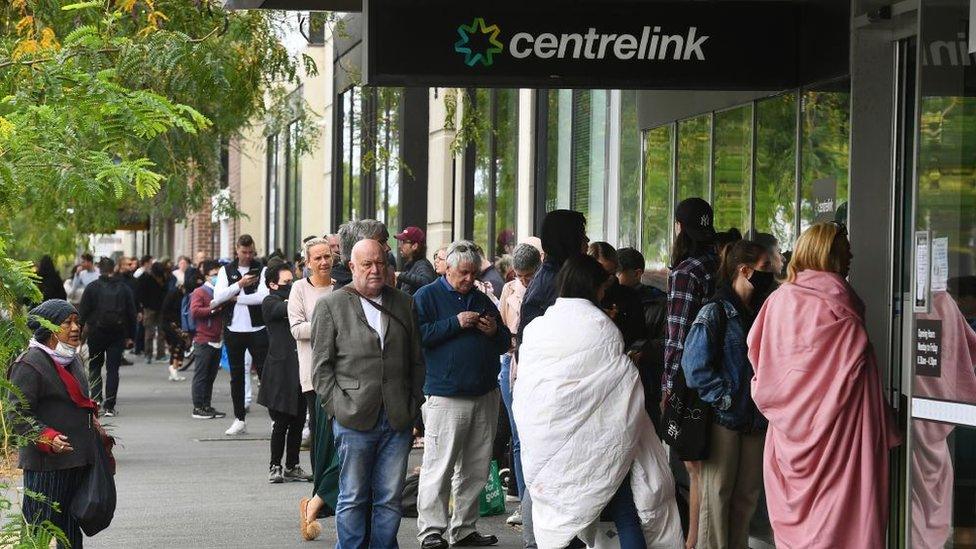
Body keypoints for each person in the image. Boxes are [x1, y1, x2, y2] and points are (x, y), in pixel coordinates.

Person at [747, 222, 899, 548]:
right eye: (845, 249)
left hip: (790, 440)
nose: (852, 255)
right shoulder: (841, 305)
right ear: (826, 252)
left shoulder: (778, 301)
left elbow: (762, 364)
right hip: (843, 438)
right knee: (847, 524)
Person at [513, 256, 682, 548]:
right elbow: (620, 381)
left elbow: (530, 386)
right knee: (625, 511)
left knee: (564, 516)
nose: (604, 293)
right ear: (592, 287)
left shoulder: (538, 327)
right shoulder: (600, 325)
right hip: (599, 442)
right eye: (602, 287)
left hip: (551, 439)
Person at [305, 238, 424, 547]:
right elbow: (321, 369)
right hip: (353, 416)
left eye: (380, 263)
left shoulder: (404, 303)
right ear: (352, 266)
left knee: (389, 499)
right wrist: (337, 407)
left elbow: (416, 360)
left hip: (397, 418)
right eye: (367, 264)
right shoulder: (331, 305)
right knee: (353, 496)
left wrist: (413, 404)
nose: (375, 270)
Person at [414, 240, 511, 549]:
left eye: (473, 273)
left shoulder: (482, 299)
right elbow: (418, 337)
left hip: (484, 392)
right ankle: (431, 530)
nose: (470, 279)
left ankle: (465, 529)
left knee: (475, 467)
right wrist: (455, 323)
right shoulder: (426, 296)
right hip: (446, 394)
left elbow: (506, 340)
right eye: (464, 273)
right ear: (448, 269)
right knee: (438, 466)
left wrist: (493, 331)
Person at [680, 240, 775, 549]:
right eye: (765, 267)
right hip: (725, 418)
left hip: (756, 419)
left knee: (746, 499)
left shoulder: (764, 309)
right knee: (716, 498)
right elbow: (694, 367)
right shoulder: (716, 310)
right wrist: (725, 398)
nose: (771, 272)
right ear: (743, 270)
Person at [9, 300, 112, 549]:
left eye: (77, 321)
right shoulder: (29, 363)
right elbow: (17, 413)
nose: (75, 327)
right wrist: (47, 437)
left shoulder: (72, 359)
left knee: (69, 530)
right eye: (67, 322)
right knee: (38, 529)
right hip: (46, 465)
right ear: (50, 328)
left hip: (77, 459)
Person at [515, 209, 588, 549]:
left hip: (555, 391)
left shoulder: (558, 276)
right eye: (581, 235)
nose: (587, 242)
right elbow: (534, 347)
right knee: (544, 474)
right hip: (551, 393)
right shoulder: (552, 283)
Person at [663, 197, 719, 548]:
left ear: (679, 229)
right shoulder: (719, 264)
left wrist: (667, 384)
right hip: (722, 374)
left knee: (696, 467)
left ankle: (694, 541)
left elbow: (677, 333)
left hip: (691, 379)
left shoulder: (687, 272)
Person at [288, 237, 338, 526]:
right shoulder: (299, 289)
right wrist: (330, 326)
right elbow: (296, 329)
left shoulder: (341, 287)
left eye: (327, 256)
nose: (323, 262)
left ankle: (330, 497)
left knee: (339, 438)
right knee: (321, 439)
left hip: (342, 373)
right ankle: (320, 495)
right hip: (313, 375)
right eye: (317, 258)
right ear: (307, 263)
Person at [496, 242, 541, 527]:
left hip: (534, 360)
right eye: (520, 275)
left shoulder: (546, 286)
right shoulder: (508, 290)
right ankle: (524, 501)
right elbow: (501, 326)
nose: (524, 280)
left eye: (529, 275)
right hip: (510, 360)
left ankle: (536, 504)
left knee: (534, 435)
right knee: (517, 435)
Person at [258, 261, 313, 484]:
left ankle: (292, 465)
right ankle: (275, 465)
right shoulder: (269, 302)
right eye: (286, 282)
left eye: (293, 281)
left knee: (299, 420)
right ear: (273, 284)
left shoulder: (295, 299)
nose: (292, 285)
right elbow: (285, 309)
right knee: (281, 421)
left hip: (300, 366)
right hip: (280, 371)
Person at [211, 234, 269, 436]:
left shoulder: (262, 269)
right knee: (236, 376)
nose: (247, 256)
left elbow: (263, 297)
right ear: (237, 250)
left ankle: (274, 418)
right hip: (234, 329)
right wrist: (239, 285)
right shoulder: (226, 270)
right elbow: (218, 297)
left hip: (257, 329)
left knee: (265, 374)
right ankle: (239, 419)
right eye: (244, 252)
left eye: (250, 252)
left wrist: (237, 299)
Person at [616, 248, 668, 431]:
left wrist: (641, 350)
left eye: (618, 272)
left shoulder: (659, 302)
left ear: (637, 273)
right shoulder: (608, 299)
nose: (613, 277)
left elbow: (668, 343)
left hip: (647, 384)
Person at [78, 257, 136, 417]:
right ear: (114, 269)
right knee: (113, 370)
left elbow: (82, 313)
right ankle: (109, 404)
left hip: (96, 333)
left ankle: (96, 400)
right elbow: (131, 313)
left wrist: (78, 333)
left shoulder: (92, 288)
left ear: (100, 269)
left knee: (95, 366)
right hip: (117, 334)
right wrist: (131, 336)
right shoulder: (124, 288)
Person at [188, 260, 227, 419]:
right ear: (206, 276)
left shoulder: (221, 291)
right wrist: (213, 309)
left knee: (210, 376)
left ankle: (206, 405)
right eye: (214, 275)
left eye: (219, 274)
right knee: (201, 375)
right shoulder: (200, 292)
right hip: (203, 339)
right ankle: (198, 407)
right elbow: (195, 311)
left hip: (217, 339)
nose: (217, 277)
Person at [588, 242, 645, 347]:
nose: (608, 278)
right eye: (601, 273)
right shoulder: (581, 298)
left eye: (612, 273)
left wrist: (617, 321)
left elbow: (638, 336)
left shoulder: (630, 297)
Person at [137, 262, 169, 363]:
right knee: (154, 332)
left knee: (154, 332)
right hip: (152, 308)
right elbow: (141, 294)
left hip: (154, 308)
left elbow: (140, 294)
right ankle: (155, 354)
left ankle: (152, 355)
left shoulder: (145, 277)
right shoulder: (150, 278)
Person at [160, 279, 189, 382]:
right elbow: (166, 310)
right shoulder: (173, 294)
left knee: (180, 343)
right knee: (177, 342)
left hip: (178, 322)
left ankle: (174, 368)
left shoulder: (184, 296)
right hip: (169, 322)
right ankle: (173, 367)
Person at [395, 226, 437, 295]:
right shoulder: (411, 265)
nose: (400, 246)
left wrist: (400, 275)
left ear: (415, 246)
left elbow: (426, 281)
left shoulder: (423, 264)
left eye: (403, 242)